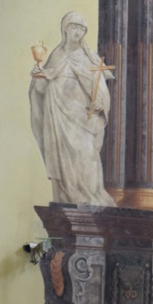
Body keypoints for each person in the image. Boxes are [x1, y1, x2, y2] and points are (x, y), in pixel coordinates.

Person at [29, 12, 116, 206]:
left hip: (82, 115)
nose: (77, 32)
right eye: (74, 27)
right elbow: (42, 89)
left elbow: (100, 87)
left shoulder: (89, 57)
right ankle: (68, 196)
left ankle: (91, 196)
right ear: (65, 29)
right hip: (58, 115)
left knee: (87, 154)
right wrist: (39, 79)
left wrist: (100, 102)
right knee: (63, 158)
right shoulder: (57, 55)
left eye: (81, 28)